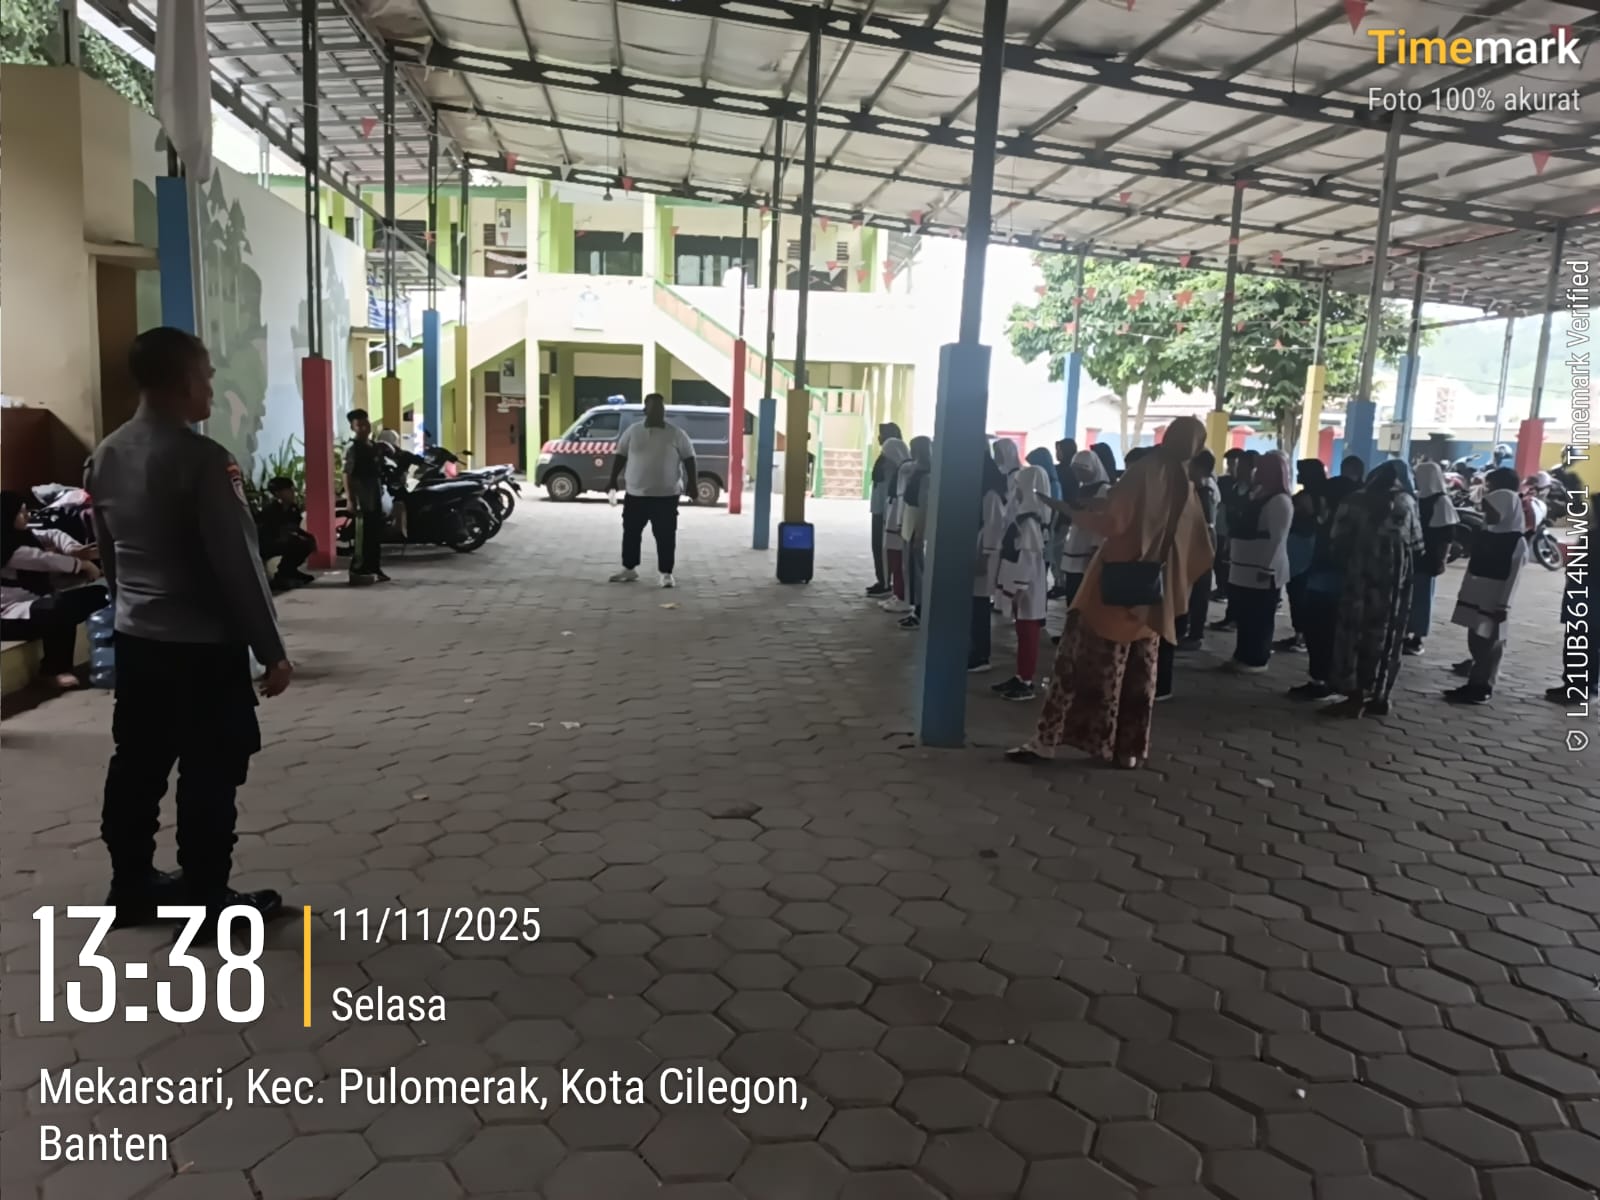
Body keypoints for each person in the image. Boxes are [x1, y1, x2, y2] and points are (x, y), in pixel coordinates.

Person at [86, 327, 291, 933]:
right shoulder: (204, 460)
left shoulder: (105, 456)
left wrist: (130, 613)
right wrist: (271, 650)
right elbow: (238, 564)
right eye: (206, 376)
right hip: (203, 648)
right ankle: (206, 899)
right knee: (211, 768)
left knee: (138, 763)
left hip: (139, 641)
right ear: (181, 382)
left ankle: (131, 887)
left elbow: (110, 556)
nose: (211, 388)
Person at [1008, 417, 1213, 768]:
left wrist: (1072, 512)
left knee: (1075, 667)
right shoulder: (1186, 484)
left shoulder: (1145, 470)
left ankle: (1046, 742)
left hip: (1111, 590)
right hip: (1151, 596)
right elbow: (1198, 547)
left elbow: (1115, 523)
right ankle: (1128, 750)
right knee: (1138, 678)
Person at [1324, 459, 1424, 718]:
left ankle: (1354, 696)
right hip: (1395, 580)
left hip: (1360, 576)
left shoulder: (1355, 500)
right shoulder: (1407, 502)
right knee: (1388, 634)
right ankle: (1380, 696)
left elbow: (1336, 539)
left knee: (1355, 633)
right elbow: (1417, 544)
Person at [2, 490, 109, 689]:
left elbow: (51, 534)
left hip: (33, 607)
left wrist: (72, 548)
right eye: (21, 512)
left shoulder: (22, 536)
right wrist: (83, 564)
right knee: (58, 607)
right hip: (9, 618)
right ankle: (53, 670)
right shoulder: (7, 549)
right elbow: (43, 560)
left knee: (98, 595)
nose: (27, 516)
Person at [1445, 468, 1529, 705]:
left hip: (1494, 600)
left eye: (1492, 510)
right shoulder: (1488, 534)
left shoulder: (1516, 542)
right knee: (1476, 639)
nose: (1487, 514)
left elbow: (1513, 577)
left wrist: (1504, 605)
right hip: (1476, 595)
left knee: (1489, 643)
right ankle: (1475, 679)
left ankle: (1483, 685)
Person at [608, 393, 696, 588]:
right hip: (636, 494)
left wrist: (693, 483)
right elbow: (620, 455)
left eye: (660, 408)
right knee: (631, 532)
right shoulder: (633, 431)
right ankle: (629, 568)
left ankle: (666, 573)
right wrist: (612, 480)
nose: (658, 411)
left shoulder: (676, 433)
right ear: (645, 410)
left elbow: (689, 458)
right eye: (653, 407)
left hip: (666, 496)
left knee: (666, 535)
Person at [1226, 451, 1293, 672]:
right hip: (1245, 569)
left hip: (1261, 571)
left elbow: (1277, 538)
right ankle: (1242, 654)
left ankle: (1256, 658)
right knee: (1246, 615)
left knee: (1259, 617)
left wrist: (1268, 568)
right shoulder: (1259, 495)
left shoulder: (1280, 501)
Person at [992, 465, 1052, 702]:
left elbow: (1028, 557)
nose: (1015, 489)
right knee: (1023, 631)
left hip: (1027, 586)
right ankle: (1020, 675)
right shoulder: (1025, 517)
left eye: (1019, 485)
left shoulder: (1029, 522)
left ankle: (1026, 681)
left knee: (1028, 633)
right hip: (1023, 584)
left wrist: (1018, 588)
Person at [1405, 461, 1458, 656]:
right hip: (1413, 555)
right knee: (1410, 596)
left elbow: (1447, 536)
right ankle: (1406, 632)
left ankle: (1418, 637)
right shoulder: (1416, 497)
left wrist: (1442, 560)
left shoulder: (1441, 501)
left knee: (1423, 598)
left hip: (1428, 557)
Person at [1051, 449, 1112, 607]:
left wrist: (1095, 548)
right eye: (1076, 471)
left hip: (1089, 549)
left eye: (1082, 471)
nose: (1078, 475)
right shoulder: (1083, 487)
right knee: (1072, 593)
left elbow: (1101, 522)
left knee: (1084, 596)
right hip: (1075, 543)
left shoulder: (1103, 489)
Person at [1277, 460, 1327, 652]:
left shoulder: (1309, 498)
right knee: (1297, 593)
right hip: (1300, 551)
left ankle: (1302, 635)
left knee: (1299, 594)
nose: (1298, 475)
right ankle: (1301, 634)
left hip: (1303, 551)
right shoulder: (1316, 495)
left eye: (1302, 472)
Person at [969, 450, 1008, 674]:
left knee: (980, 605)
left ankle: (981, 654)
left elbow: (994, 527)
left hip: (985, 553)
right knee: (974, 604)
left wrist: (984, 558)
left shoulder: (991, 495)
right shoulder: (983, 491)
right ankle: (974, 649)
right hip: (979, 549)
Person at [344, 409, 389, 585]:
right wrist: (350, 499)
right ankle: (359, 570)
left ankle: (374, 568)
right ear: (353, 428)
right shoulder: (353, 449)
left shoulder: (374, 446)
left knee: (374, 535)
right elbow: (347, 475)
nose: (364, 428)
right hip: (362, 497)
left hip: (375, 494)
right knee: (363, 536)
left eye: (365, 423)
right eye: (359, 425)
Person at [1180, 450, 1219, 648]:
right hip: (1194, 546)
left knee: (1199, 591)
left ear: (1200, 468)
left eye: (1191, 465)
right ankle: (1188, 630)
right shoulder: (1196, 488)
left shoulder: (1205, 491)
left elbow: (1207, 524)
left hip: (1201, 546)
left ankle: (1196, 635)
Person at [255, 477, 317, 592]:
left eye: (292, 489)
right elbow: (263, 532)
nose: (292, 493)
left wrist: (309, 537)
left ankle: (289, 571)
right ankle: (282, 575)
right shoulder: (269, 511)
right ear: (278, 493)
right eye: (288, 490)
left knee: (305, 543)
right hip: (266, 544)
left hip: (284, 541)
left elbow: (295, 528)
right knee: (296, 543)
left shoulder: (293, 509)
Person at [897, 437, 933, 630]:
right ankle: (916, 608)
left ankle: (920, 611)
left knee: (918, 571)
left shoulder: (926, 476)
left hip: (916, 526)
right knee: (911, 569)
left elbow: (924, 507)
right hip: (909, 523)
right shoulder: (916, 471)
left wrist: (919, 533)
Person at [866, 422, 903, 598]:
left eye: (882, 434)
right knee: (877, 545)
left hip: (887, 509)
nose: (879, 438)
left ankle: (886, 582)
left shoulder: (893, 452)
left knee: (884, 547)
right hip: (878, 508)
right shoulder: (885, 455)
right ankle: (882, 579)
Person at [878, 437, 912, 612]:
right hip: (892, 519)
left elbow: (902, 499)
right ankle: (897, 593)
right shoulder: (900, 470)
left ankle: (902, 595)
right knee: (892, 558)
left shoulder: (906, 470)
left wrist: (899, 522)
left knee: (900, 561)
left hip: (899, 522)